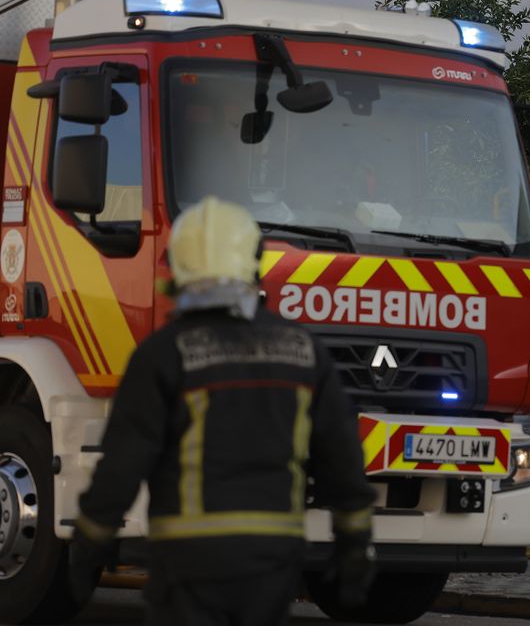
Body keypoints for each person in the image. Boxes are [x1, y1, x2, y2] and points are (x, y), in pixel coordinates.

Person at [70, 196, 377, 626]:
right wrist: (355, 541)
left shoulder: (162, 355)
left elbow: (124, 460)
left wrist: (91, 539)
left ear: (179, 266)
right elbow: (341, 457)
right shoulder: (303, 351)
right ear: (251, 260)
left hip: (189, 557)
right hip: (272, 556)